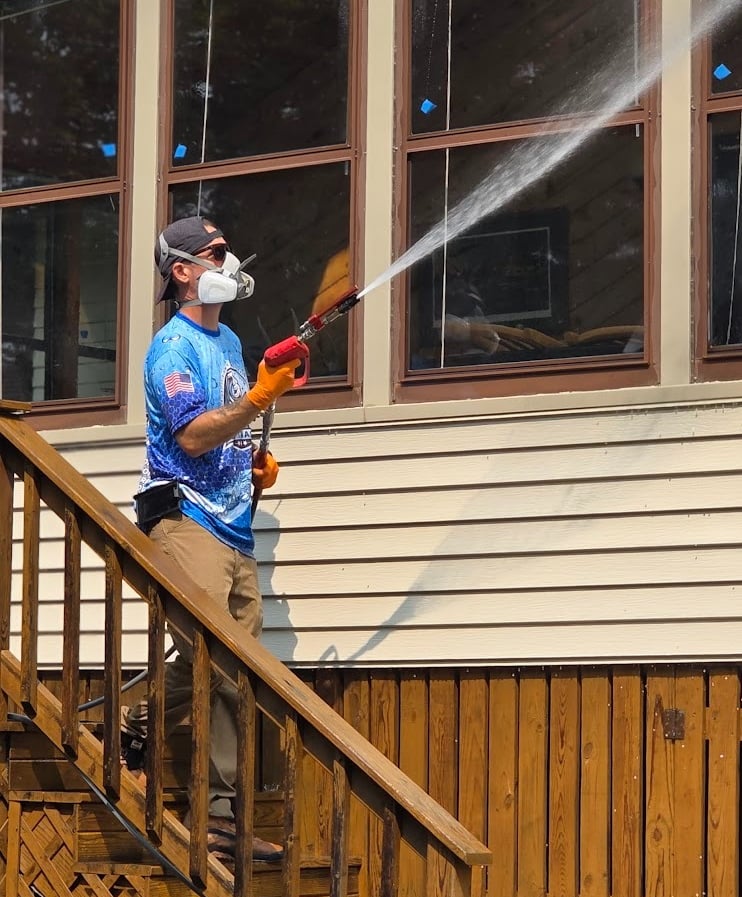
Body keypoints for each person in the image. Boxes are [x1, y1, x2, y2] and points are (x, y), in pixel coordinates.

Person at [121, 215, 298, 865]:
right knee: (220, 663)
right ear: (183, 271)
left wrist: (254, 462)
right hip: (183, 516)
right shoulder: (172, 348)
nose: (230, 262)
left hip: (233, 523)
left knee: (236, 672)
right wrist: (257, 399)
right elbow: (193, 435)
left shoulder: (228, 341)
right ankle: (218, 816)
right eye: (217, 253)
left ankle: (137, 727)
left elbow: (229, 429)